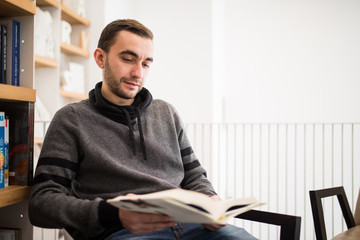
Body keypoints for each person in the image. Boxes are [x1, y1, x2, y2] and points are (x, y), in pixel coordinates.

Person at [29, 19, 257, 240]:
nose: (138, 73)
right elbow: (42, 203)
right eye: (128, 59)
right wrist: (113, 214)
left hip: (195, 228)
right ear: (100, 58)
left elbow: (195, 176)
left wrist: (211, 201)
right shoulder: (72, 119)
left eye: (146, 63)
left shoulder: (167, 113)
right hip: (124, 232)